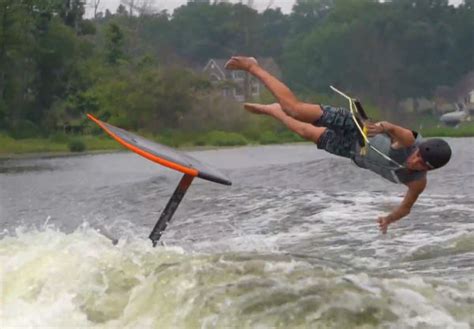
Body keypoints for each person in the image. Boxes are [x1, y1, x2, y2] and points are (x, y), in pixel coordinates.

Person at [224, 56, 452, 234]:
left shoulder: (417, 182)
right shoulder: (410, 143)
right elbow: (394, 128)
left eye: (422, 165)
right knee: (296, 110)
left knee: (303, 131)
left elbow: (406, 208)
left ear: (428, 170)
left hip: (351, 150)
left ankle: (273, 109)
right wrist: (381, 127)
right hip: (356, 127)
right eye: (418, 157)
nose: (415, 162)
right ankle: (253, 67)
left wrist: (388, 220)